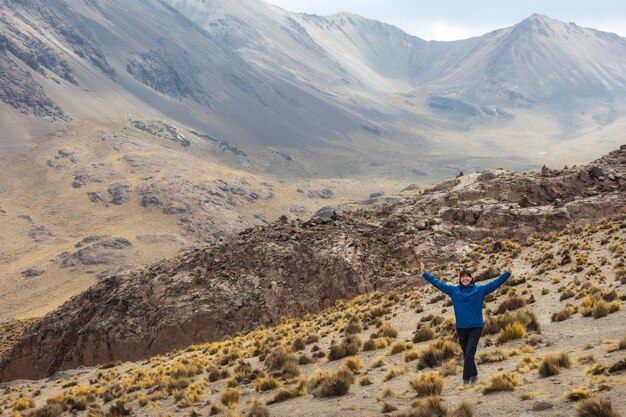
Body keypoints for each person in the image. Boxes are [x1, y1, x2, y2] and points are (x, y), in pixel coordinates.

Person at [419, 260, 513, 384]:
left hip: (476, 326)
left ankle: (466, 379)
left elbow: (494, 283)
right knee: (467, 353)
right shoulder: (454, 291)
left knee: (469, 353)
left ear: (471, 278)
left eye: (467, 276)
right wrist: (425, 274)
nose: (465, 278)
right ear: (460, 279)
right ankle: (474, 375)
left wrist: (507, 273)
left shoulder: (479, 290)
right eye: (462, 277)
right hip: (461, 328)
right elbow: (439, 284)